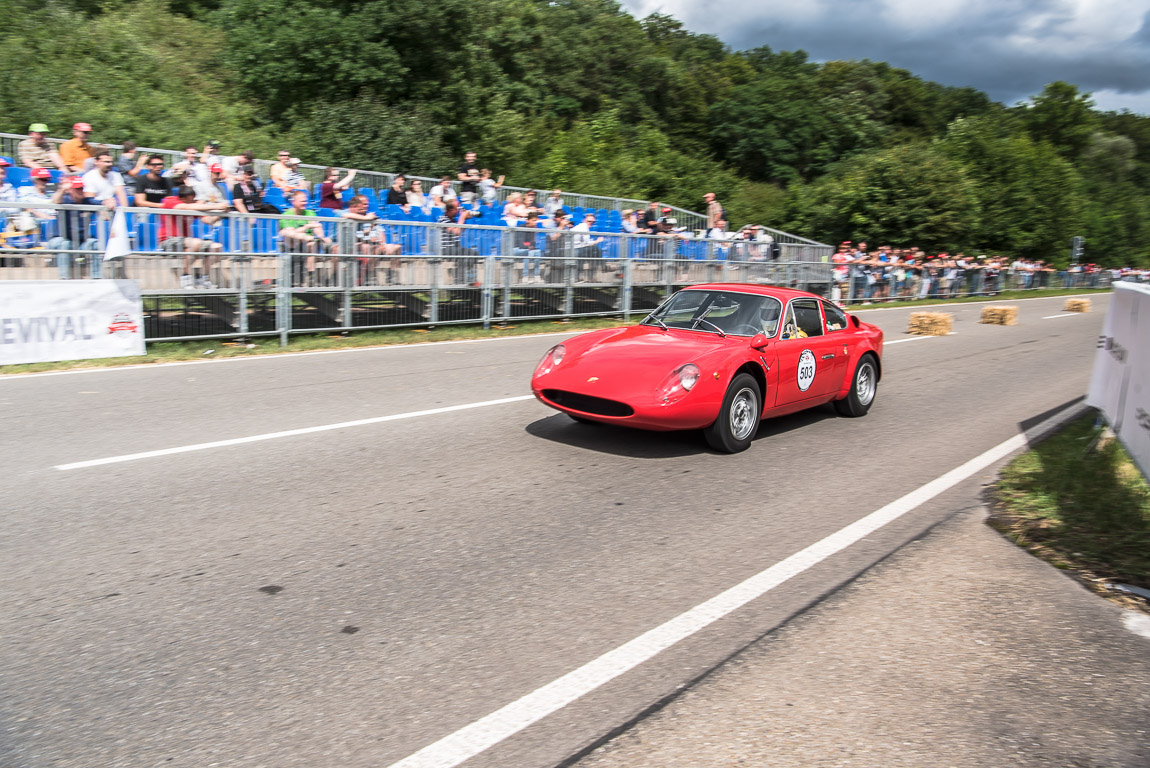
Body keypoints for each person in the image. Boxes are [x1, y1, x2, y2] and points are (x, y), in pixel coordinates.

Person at [159, 185, 225, 288]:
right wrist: (217, 206)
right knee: (194, 243)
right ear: (182, 198)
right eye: (190, 200)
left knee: (216, 247)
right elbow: (185, 207)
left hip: (186, 241)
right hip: (168, 240)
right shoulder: (170, 201)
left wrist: (222, 213)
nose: (193, 202)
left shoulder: (193, 205)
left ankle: (201, 278)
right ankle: (186, 277)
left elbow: (208, 220)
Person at [342, 194, 402, 285]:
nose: (366, 206)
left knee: (396, 247)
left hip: (375, 243)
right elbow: (345, 216)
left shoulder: (371, 215)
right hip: (360, 245)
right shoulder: (351, 216)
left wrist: (382, 242)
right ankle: (370, 276)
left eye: (366, 204)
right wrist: (366, 222)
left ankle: (392, 276)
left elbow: (381, 232)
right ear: (355, 205)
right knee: (372, 248)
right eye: (363, 204)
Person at [48, 178, 101, 278]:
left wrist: (109, 201)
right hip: (59, 240)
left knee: (95, 244)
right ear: (71, 190)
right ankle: (65, 279)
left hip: (80, 242)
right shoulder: (66, 199)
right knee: (65, 244)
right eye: (77, 189)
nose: (80, 191)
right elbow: (55, 201)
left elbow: (102, 203)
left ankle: (96, 277)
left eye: (81, 188)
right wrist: (62, 190)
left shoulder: (87, 201)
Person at [279, 189, 332, 285]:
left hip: (306, 244)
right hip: (292, 244)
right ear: (294, 202)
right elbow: (290, 233)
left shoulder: (310, 213)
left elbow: (316, 226)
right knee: (285, 232)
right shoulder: (286, 215)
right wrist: (306, 227)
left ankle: (311, 275)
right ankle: (313, 239)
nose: (305, 203)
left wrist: (320, 236)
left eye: (306, 200)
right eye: (302, 201)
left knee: (313, 241)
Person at [437, 199, 479, 284]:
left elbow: (460, 231)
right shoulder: (442, 219)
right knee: (463, 254)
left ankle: (469, 279)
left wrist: (465, 218)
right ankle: (460, 281)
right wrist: (462, 217)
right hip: (445, 249)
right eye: (457, 209)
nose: (459, 211)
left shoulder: (453, 220)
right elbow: (456, 232)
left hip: (455, 248)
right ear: (451, 210)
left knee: (474, 253)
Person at [571, 212, 605, 281]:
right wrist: (597, 241)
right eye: (589, 221)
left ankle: (593, 274)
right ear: (584, 220)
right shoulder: (584, 227)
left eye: (593, 222)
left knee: (594, 252)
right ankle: (603, 267)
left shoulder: (582, 226)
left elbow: (585, 242)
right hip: (575, 249)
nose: (591, 223)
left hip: (577, 248)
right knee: (596, 249)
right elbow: (587, 243)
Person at [515, 211, 545, 282]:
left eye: (536, 221)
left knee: (538, 252)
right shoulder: (521, 228)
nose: (535, 223)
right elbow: (521, 243)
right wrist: (529, 246)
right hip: (516, 249)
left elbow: (533, 243)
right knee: (528, 253)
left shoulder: (532, 230)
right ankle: (525, 276)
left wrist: (535, 233)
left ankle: (536, 275)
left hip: (526, 249)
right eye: (534, 221)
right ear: (528, 220)